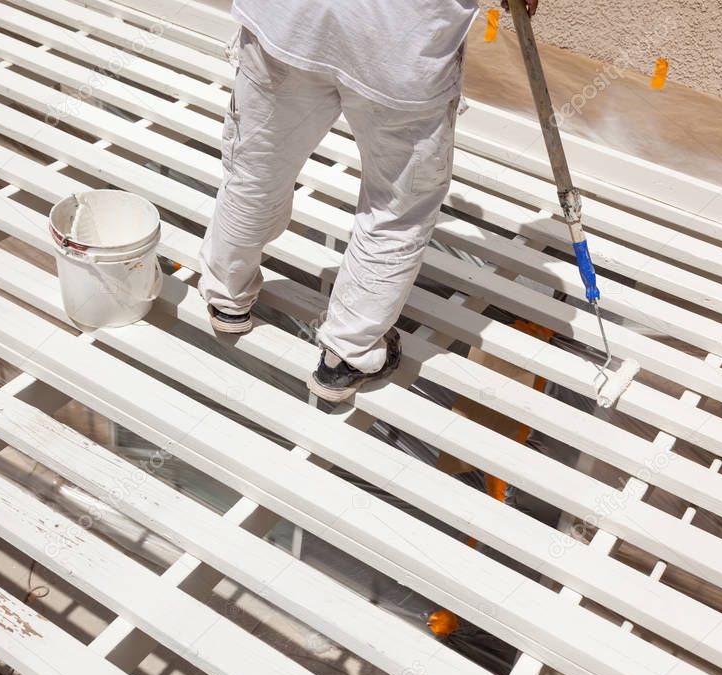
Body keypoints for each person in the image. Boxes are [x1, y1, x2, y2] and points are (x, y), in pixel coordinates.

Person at [199, 0, 539, 402]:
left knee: (258, 169)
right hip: (400, 52)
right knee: (396, 212)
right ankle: (347, 355)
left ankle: (227, 295)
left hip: (290, 22)